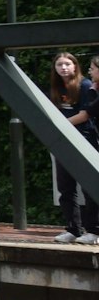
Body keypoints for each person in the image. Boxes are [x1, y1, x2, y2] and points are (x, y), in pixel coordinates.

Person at [46, 52, 97, 244]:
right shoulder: (55, 88)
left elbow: (85, 115)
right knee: (65, 187)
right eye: (59, 64)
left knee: (89, 187)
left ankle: (93, 231)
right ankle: (73, 229)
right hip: (63, 142)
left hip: (84, 140)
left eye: (67, 64)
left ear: (75, 66)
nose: (64, 68)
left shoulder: (84, 86)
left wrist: (60, 124)